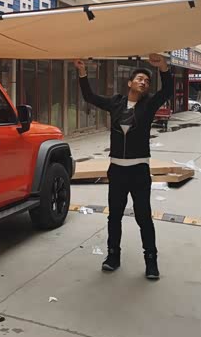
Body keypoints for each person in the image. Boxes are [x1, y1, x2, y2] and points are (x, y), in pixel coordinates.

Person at [74, 54, 173, 279]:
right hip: (117, 170)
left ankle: (151, 261)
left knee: (143, 217)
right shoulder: (116, 103)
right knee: (114, 216)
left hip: (139, 170)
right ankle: (113, 256)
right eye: (139, 79)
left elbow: (167, 90)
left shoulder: (149, 105)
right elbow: (89, 96)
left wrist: (163, 67)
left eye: (147, 81)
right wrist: (82, 72)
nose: (143, 82)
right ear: (129, 83)